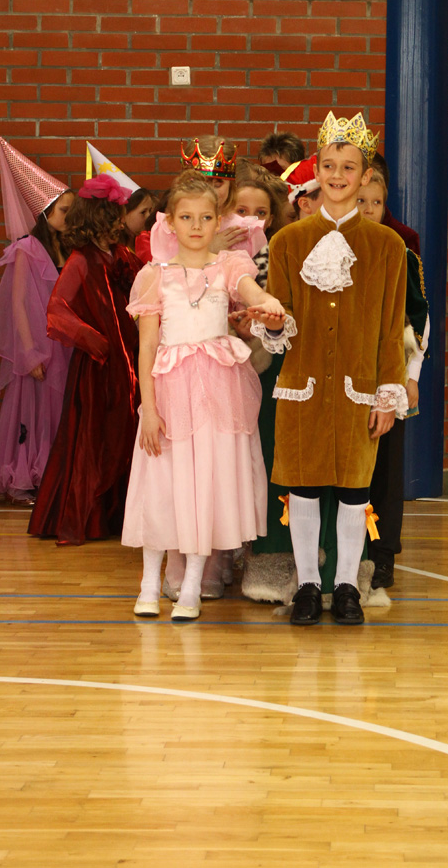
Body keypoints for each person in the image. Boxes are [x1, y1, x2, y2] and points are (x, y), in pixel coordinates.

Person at [251, 111, 407, 626]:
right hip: (303, 387)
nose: (338, 175)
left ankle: (346, 586)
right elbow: (282, 322)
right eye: (329, 165)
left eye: (349, 167)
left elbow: (391, 328)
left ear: (366, 176)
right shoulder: (288, 242)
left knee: (355, 490)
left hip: (360, 391)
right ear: (316, 171)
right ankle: (306, 585)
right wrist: (275, 322)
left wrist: (388, 395)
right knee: (304, 488)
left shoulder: (388, 247)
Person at [121, 172, 285, 622]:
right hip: (169, 393)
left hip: (217, 393)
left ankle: (192, 585)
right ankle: (149, 583)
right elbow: (147, 347)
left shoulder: (229, 265)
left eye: (206, 217)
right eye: (187, 217)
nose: (197, 226)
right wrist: (148, 408)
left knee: (205, 485)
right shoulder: (155, 276)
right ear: (170, 223)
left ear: (219, 221)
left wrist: (265, 300)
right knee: (162, 485)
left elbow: (249, 290)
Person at [28, 174, 143, 544]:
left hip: (130, 362)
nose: (120, 225)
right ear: (97, 219)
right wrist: (95, 340)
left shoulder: (123, 256)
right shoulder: (80, 260)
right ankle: (90, 515)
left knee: (125, 431)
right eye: (113, 218)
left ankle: (118, 513)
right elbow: (58, 310)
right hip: (99, 366)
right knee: (94, 436)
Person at [0, 139, 74, 504]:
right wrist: (30, 352)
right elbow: (19, 304)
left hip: (63, 345)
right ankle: (25, 476)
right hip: (37, 346)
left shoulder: (69, 249)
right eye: (64, 211)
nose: (70, 217)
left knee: (55, 412)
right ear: (44, 213)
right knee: (32, 412)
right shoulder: (27, 249)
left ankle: (50, 474)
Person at [357, 170, 429, 588]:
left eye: (376, 203)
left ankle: (383, 555)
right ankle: (348, 552)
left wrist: (411, 375)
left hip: (389, 374)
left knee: (386, 468)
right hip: (345, 375)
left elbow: (418, 318)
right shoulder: (330, 248)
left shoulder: (401, 253)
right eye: (360, 201)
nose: (368, 210)